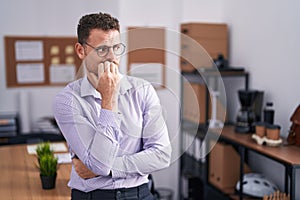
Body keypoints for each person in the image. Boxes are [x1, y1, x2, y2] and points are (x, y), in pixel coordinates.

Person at [53, 12, 172, 200]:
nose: (112, 57)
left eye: (116, 48)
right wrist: (108, 100)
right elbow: (99, 164)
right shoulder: (68, 100)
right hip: (92, 196)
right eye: (102, 50)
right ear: (81, 51)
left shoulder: (142, 90)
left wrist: (110, 168)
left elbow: (162, 155)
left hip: (140, 194)